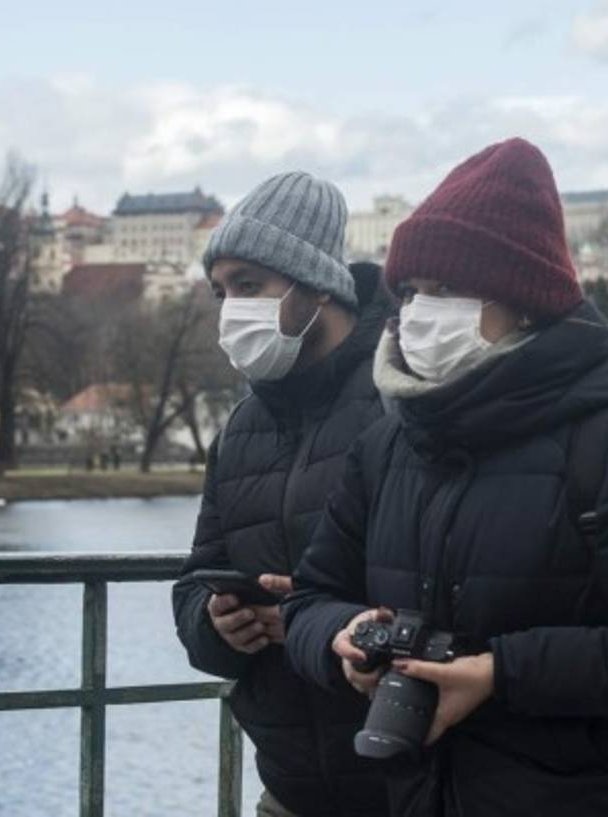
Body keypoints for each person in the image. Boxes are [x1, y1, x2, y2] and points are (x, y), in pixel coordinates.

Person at [283, 139, 608, 817]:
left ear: (522, 303)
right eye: (408, 292)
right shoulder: (386, 447)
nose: (416, 313)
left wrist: (499, 674)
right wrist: (340, 636)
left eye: (446, 290)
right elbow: (309, 597)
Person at [172, 171, 391, 817]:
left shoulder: (401, 403)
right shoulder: (241, 427)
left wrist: (313, 621)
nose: (230, 308)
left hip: (406, 783)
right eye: (220, 291)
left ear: (315, 284)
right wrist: (216, 625)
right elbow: (194, 579)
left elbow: (457, 582)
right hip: (289, 791)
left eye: (248, 285)